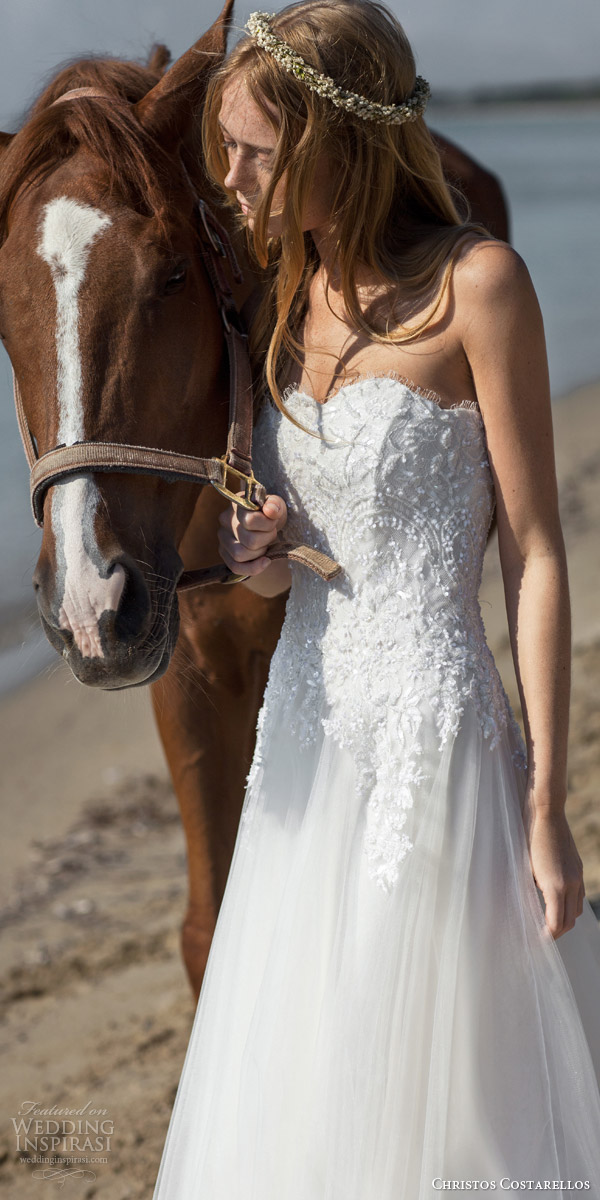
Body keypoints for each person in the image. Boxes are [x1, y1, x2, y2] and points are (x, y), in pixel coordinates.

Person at [152, 2, 600, 1193]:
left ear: (329, 140)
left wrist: (552, 802)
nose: (229, 176)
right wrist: (266, 552)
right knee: (304, 1066)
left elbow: (536, 555)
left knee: (442, 1097)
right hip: (303, 741)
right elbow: (311, 550)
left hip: (433, 738)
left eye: (251, 149)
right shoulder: (283, 304)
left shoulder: (481, 288)